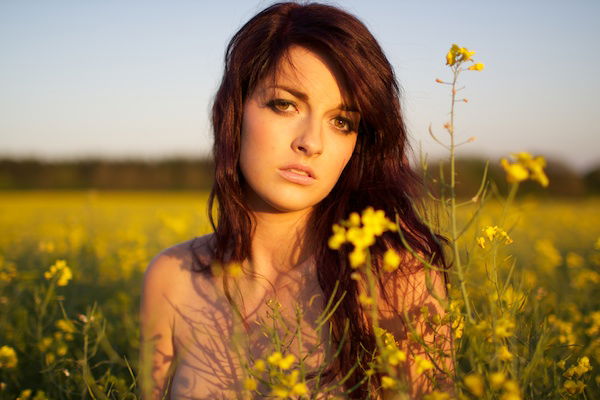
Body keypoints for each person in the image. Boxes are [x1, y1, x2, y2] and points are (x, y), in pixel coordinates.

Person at [139, 2, 451, 399]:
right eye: (285, 104)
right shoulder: (171, 278)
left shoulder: (396, 281)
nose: (311, 142)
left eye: (342, 122)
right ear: (235, 111)